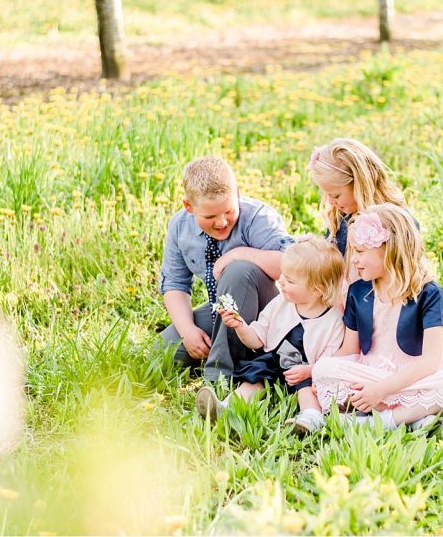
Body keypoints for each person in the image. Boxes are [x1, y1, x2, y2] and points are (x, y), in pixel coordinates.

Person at [311, 204, 443, 430]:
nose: (353, 260)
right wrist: (319, 370)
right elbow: (349, 351)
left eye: (360, 252)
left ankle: (384, 421)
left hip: (417, 379)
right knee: (324, 370)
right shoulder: (358, 291)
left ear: (390, 251)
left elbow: (430, 361)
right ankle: (416, 417)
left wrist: (382, 389)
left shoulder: (428, 293)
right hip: (371, 375)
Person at [158, 156, 292, 382]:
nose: (222, 222)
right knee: (164, 351)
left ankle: (219, 377)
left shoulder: (257, 217)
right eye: (210, 216)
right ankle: (243, 355)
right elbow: (175, 284)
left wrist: (239, 253)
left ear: (237, 193)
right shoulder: (180, 226)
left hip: (266, 314)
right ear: (189, 206)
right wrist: (187, 330)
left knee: (238, 269)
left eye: (229, 211)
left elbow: (291, 266)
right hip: (221, 311)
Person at [196, 236, 346, 435]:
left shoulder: (334, 320)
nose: (281, 282)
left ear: (317, 289)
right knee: (254, 378)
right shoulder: (280, 304)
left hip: (305, 369)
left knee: (306, 389)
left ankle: (311, 417)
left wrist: (309, 371)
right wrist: (241, 326)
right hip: (274, 360)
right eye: (282, 275)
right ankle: (226, 407)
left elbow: (331, 360)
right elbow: (257, 338)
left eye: (290, 280)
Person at [307, 138, 408, 257]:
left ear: (360, 186)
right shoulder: (340, 219)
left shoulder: (394, 225)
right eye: (327, 194)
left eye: (335, 195)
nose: (330, 201)